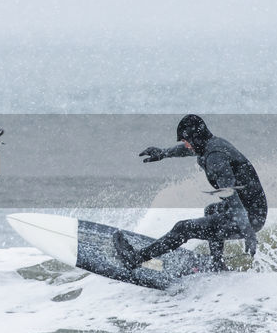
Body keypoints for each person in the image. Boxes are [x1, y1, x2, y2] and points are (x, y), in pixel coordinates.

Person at [113, 114, 267, 271]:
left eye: (186, 141)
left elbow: (232, 198)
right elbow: (187, 150)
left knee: (183, 228)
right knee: (211, 210)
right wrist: (163, 153)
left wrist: (248, 232)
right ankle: (217, 263)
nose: (185, 145)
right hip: (251, 212)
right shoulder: (212, 144)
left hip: (248, 218)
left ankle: (135, 259)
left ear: (196, 138)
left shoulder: (215, 159)